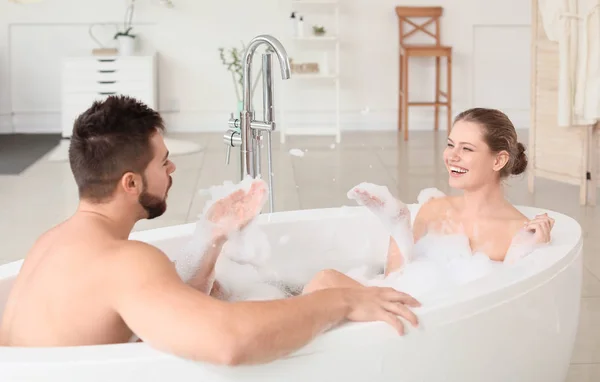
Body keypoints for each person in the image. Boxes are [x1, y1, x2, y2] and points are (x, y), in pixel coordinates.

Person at [0, 95, 420, 366]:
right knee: (327, 287)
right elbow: (230, 343)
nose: (172, 168)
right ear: (131, 183)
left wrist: (211, 236)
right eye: (162, 162)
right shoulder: (125, 262)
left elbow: (148, 303)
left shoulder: (51, 243)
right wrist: (341, 300)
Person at [304, 107, 556, 292]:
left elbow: (508, 306)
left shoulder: (518, 233)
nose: (451, 156)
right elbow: (394, 280)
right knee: (324, 280)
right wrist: (397, 227)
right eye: (450, 145)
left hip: (447, 331)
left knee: (325, 285)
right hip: (404, 313)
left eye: (466, 149)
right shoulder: (434, 209)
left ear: (498, 160)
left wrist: (528, 253)